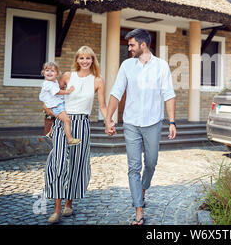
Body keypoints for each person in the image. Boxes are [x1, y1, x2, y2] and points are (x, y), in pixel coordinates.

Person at [105, 28, 177, 225]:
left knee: (151, 163)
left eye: (131, 45)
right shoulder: (127, 66)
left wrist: (172, 121)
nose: (129, 48)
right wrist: (108, 118)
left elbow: (168, 94)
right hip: (131, 123)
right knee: (133, 167)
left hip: (153, 122)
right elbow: (116, 92)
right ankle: (138, 210)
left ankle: (143, 188)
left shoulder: (161, 66)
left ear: (143, 45)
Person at [43, 46, 108, 224]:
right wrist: (52, 115)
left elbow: (102, 106)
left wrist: (108, 121)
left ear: (93, 60)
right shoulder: (66, 76)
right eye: (81, 58)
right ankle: (56, 209)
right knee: (58, 162)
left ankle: (68, 204)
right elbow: (52, 96)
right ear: (77, 60)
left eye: (88, 58)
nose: (85, 61)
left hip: (82, 124)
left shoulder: (97, 80)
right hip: (63, 121)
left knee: (76, 164)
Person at [39, 61, 81, 146]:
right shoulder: (48, 84)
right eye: (47, 70)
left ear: (57, 74)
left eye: (52, 71)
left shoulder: (54, 82)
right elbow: (57, 92)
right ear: (43, 73)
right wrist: (67, 91)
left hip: (56, 105)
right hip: (56, 106)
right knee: (67, 120)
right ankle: (70, 139)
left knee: (58, 119)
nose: (49, 72)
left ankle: (50, 134)